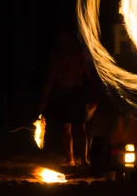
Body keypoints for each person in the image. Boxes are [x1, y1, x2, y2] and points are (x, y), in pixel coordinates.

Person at [40, 29, 97, 167]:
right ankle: (70, 158)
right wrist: (45, 97)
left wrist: (93, 95)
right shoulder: (57, 56)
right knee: (65, 127)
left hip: (76, 93)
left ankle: (84, 159)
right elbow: (52, 77)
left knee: (79, 127)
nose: (63, 40)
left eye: (65, 37)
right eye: (61, 37)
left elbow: (89, 74)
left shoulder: (79, 54)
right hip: (62, 93)